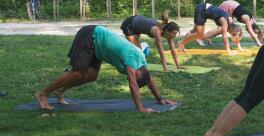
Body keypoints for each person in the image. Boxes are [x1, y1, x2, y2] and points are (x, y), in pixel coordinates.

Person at [35, 25, 175, 112]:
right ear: (138, 71)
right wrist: (141, 108)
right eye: (134, 76)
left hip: (98, 47)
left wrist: (160, 98)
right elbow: (133, 85)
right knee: (77, 73)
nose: (129, 77)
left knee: (91, 75)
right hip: (90, 35)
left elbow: (149, 80)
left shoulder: (142, 64)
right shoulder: (133, 61)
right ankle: (43, 94)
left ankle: (60, 91)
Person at [178, 2, 243, 55]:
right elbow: (225, 37)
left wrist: (240, 48)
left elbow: (236, 33)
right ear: (231, 31)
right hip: (202, 9)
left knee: (194, 31)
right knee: (199, 34)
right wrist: (229, 52)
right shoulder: (225, 22)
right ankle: (181, 43)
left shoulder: (231, 22)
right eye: (232, 34)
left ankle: (182, 44)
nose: (231, 35)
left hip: (205, 9)